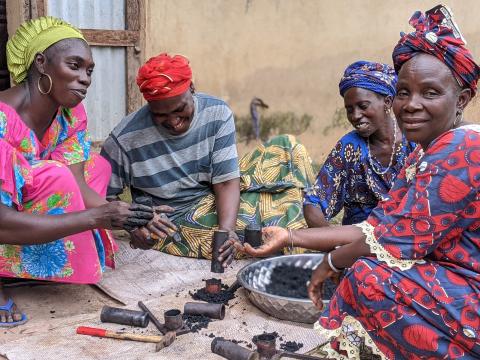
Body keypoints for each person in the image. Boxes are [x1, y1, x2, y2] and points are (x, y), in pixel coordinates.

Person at [238, 6, 480, 359]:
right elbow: (375, 228)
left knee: (368, 277)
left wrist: (333, 262)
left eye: (430, 93)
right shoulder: (416, 150)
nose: (411, 105)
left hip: (465, 284)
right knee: (365, 268)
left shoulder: (459, 149)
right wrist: (290, 236)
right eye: (404, 92)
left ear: (461, 100)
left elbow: (389, 240)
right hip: (428, 263)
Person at [0, 16, 154, 327]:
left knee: (95, 167)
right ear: (41, 63)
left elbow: (78, 183)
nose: (85, 78)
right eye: (75, 65)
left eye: (89, 71)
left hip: (28, 199)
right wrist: (97, 218)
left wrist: (129, 214)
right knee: (55, 175)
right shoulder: (2, 120)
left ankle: (36, 263)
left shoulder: (69, 114)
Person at [101, 53, 315, 264]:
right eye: (160, 115)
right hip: (177, 219)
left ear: (192, 89)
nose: (174, 122)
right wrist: (136, 223)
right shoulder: (124, 140)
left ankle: (301, 221)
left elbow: (226, 181)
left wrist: (226, 231)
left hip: (213, 192)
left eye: (180, 109)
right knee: (268, 228)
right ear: (149, 106)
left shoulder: (217, 113)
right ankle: (304, 231)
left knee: (289, 149)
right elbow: (103, 201)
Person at [303, 61, 416, 227]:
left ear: (387, 102)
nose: (355, 115)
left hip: (407, 242)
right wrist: (335, 244)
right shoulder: (349, 147)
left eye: (363, 106)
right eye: (349, 109)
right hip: (356, 244)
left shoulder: (414, 142)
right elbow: (313, 203)